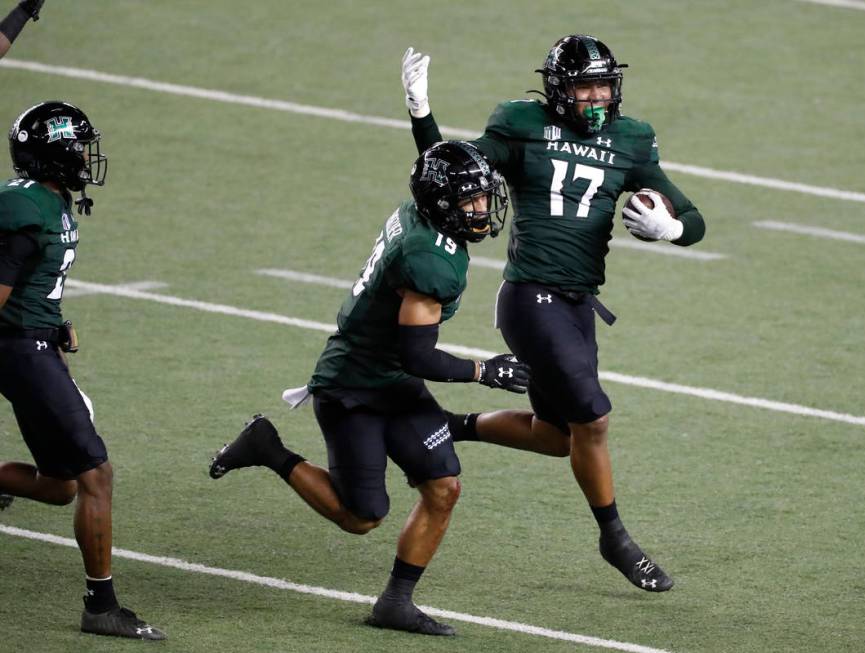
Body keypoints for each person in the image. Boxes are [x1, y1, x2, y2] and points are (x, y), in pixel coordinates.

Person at [400, 35, 708, 593]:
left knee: (556, 436)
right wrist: (423, 115)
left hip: (576, 306)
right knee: (594, 418)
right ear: (558, 90)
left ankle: (449, 426)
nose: (597, 97)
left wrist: (674, 229)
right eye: (585, 86)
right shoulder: (521, 124)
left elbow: (691, 215)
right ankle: (615, 538)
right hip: (530, 297)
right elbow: (449, 172)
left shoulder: (631, 139)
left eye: (604, 86)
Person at [209, 141, 533, 636]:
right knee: (362, 517)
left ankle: (395, 603)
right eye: (471, 201)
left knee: (443, 488)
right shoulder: (430, 262)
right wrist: (484, 372)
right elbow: (418, 357)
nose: (482, 209)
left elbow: (437, 161)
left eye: (484, 197)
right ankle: (266, 447)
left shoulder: (421, 211)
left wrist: (421, 111)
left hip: (391, 380)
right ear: (443, 203)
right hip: (353, 386)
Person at [0, 101, 165, 640]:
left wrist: (55, 323)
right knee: (97, 473)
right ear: (46, 156)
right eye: (72, 148)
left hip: (31, 341)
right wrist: (38, 337)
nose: (81, 156)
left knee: (60, 486)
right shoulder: (26, 212)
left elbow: (27, 284)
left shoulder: (48, 202)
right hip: (19, 348)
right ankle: (101, 606)